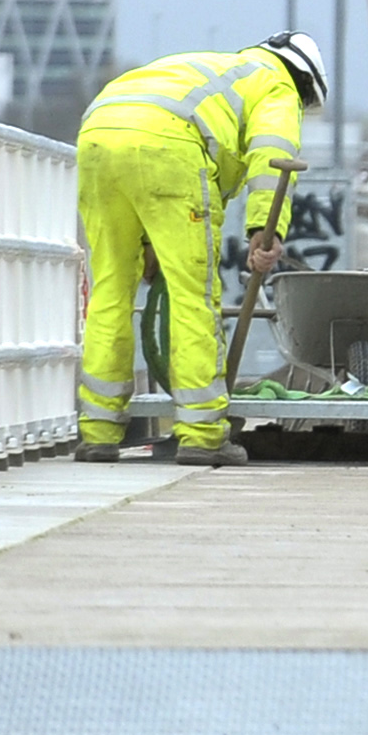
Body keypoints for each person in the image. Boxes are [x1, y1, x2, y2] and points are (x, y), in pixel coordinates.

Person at [75, 32, 325, 465]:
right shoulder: (277, 83)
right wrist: (265, 232)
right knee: (193, 296)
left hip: (97, 134)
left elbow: (141, 137)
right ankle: (202, 434)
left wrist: (150, 242)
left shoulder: (215, 68)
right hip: (168, 146)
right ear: (305, 81)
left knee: (111, 290)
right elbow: (273, 156)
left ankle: (98, 432)